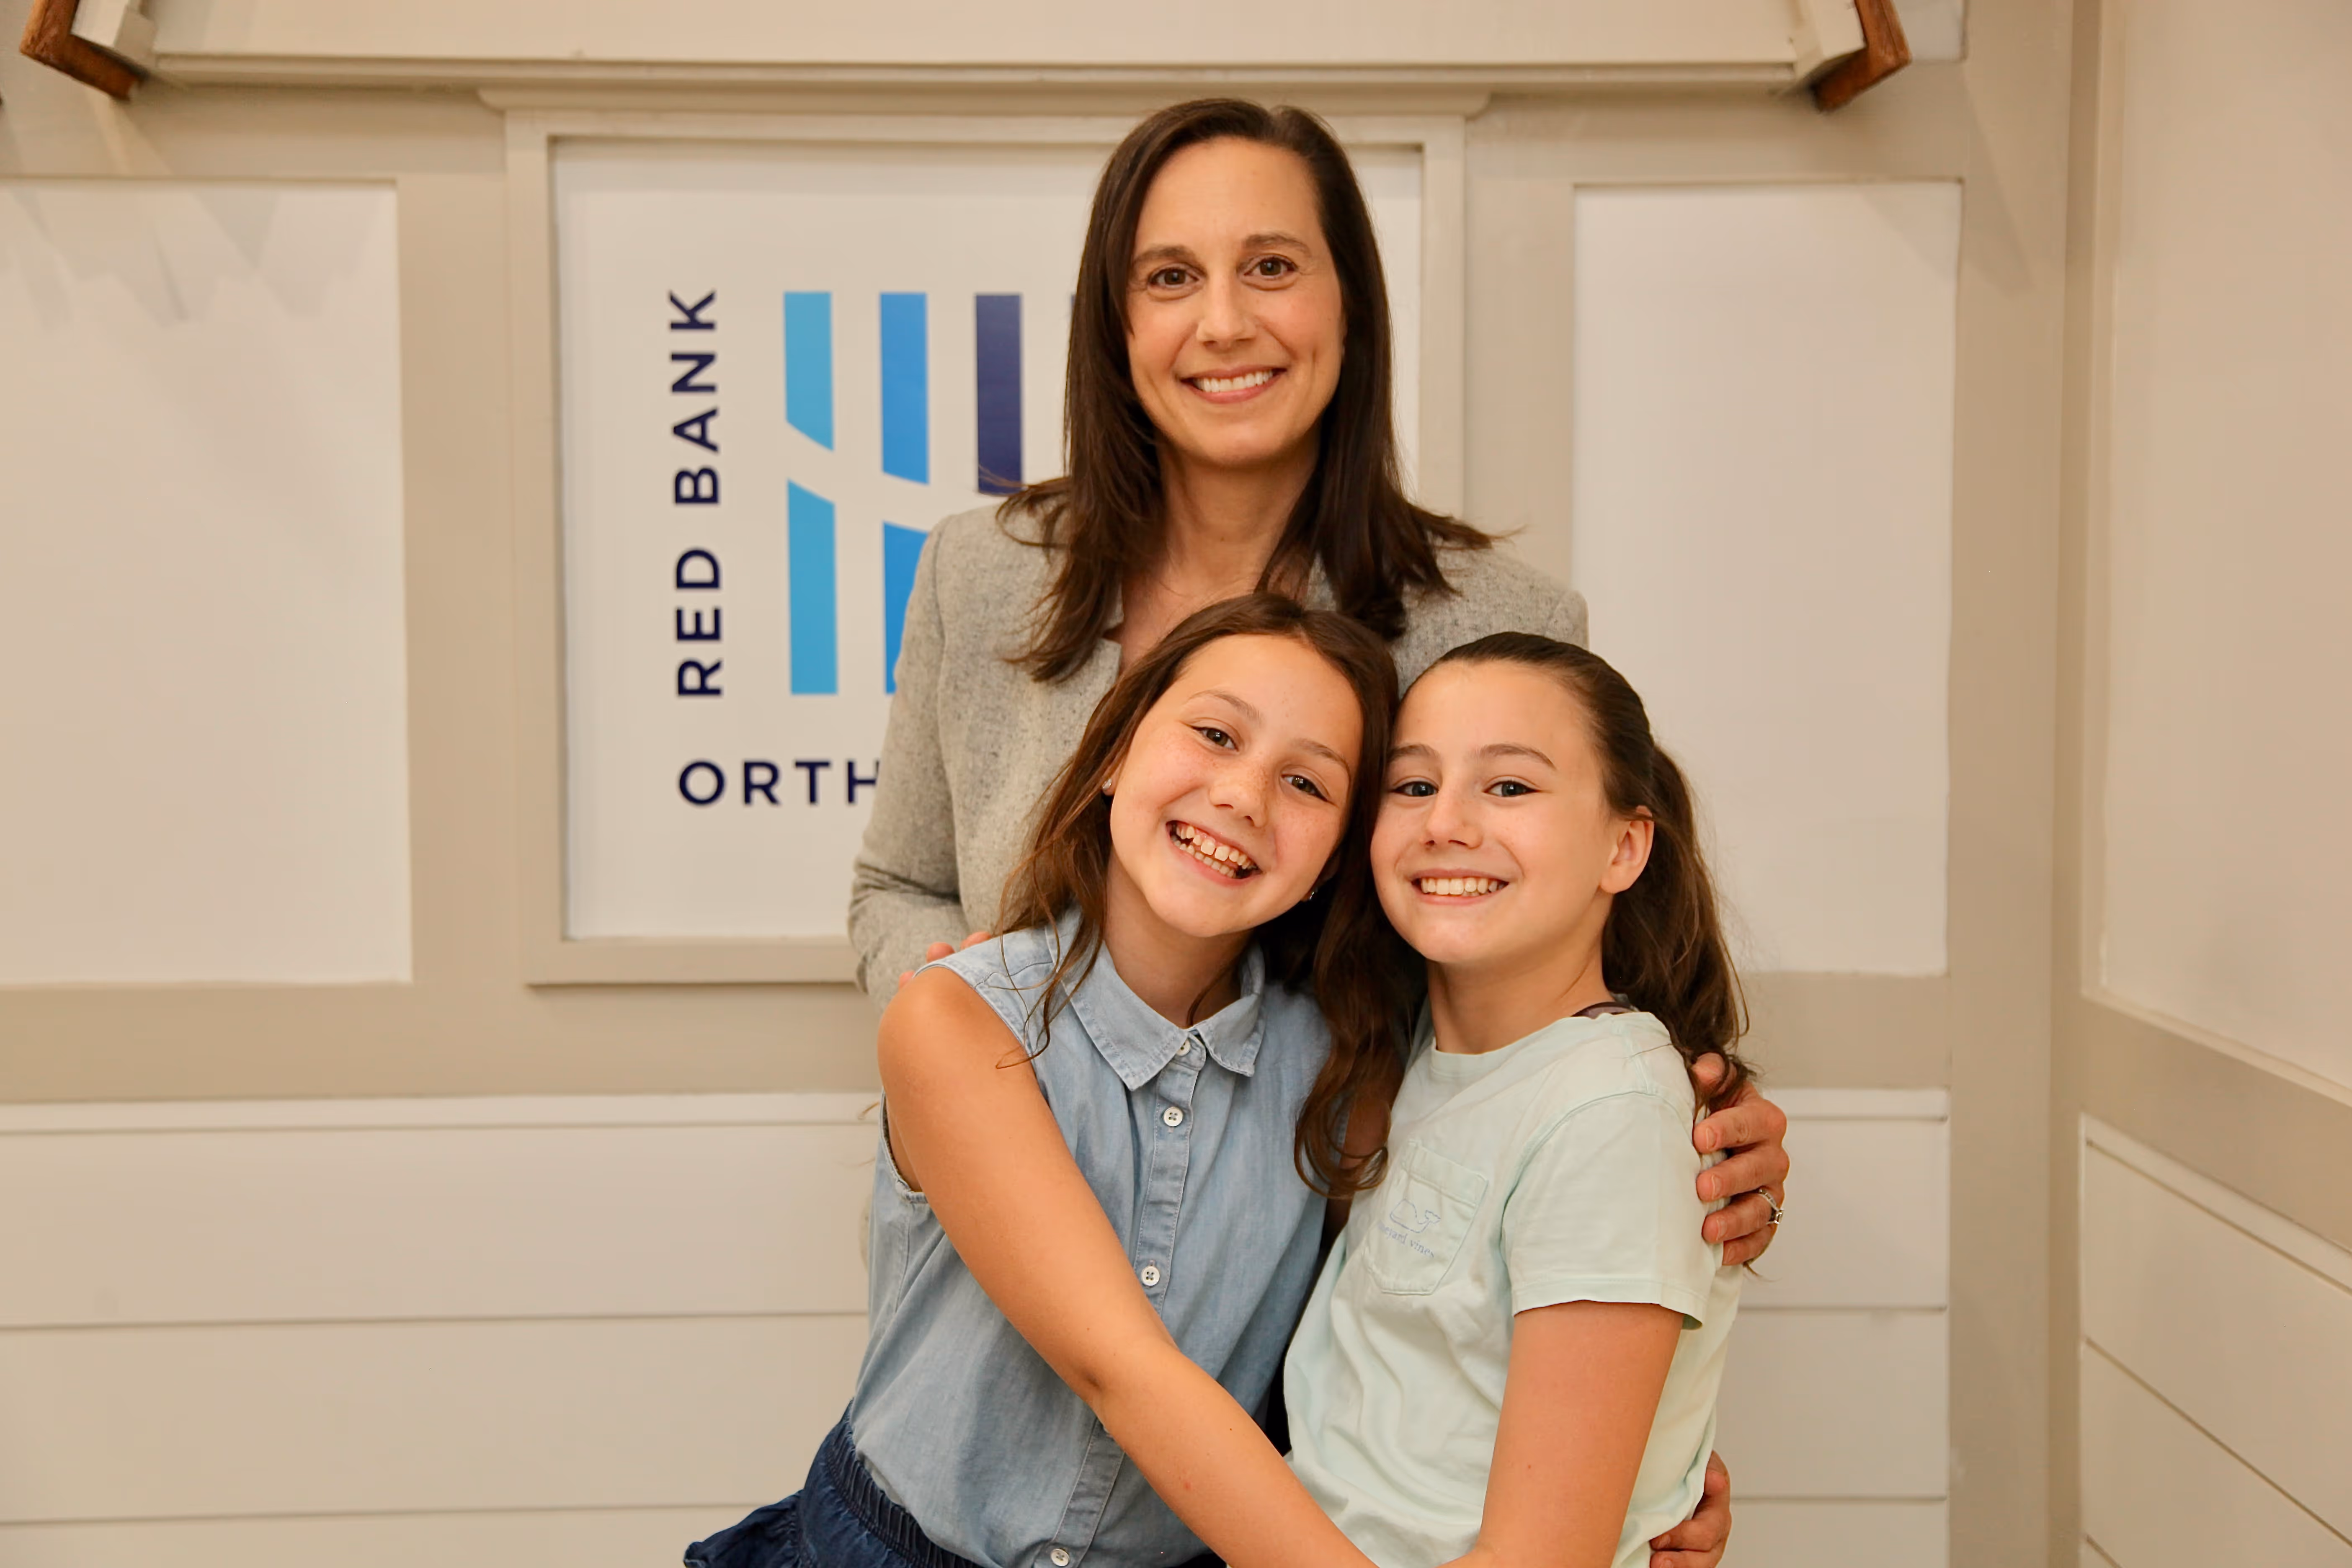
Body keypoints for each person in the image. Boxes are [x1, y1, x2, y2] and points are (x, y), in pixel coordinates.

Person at [843, 97, 1790, 1558]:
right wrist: (1011, 1013)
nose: (1223, 320)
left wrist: (1706, 1144)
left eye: (1272, 265)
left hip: (1303, 1379)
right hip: (992, 1365)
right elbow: (897, 884)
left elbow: (1562, 1012)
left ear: (1351, 301)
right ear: (1115, 319)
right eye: (1169, 276)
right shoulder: (983, 576)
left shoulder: (1502, 626)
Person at [689, 596, 1411, 1568]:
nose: (1244, 795)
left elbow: (1412, 1336)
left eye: (1306, 783)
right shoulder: (956, 1021)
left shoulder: (1347, 1071)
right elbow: (1123, 1370)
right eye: (1213, 734)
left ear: (1335, 859)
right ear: (1115, 753)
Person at [1285, 633, 1750, 1568]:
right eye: (1413, 786)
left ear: (1624, 847)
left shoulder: (1610, 1112)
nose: (1445, 824)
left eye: (1510, 787)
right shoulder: (1410, 1052)